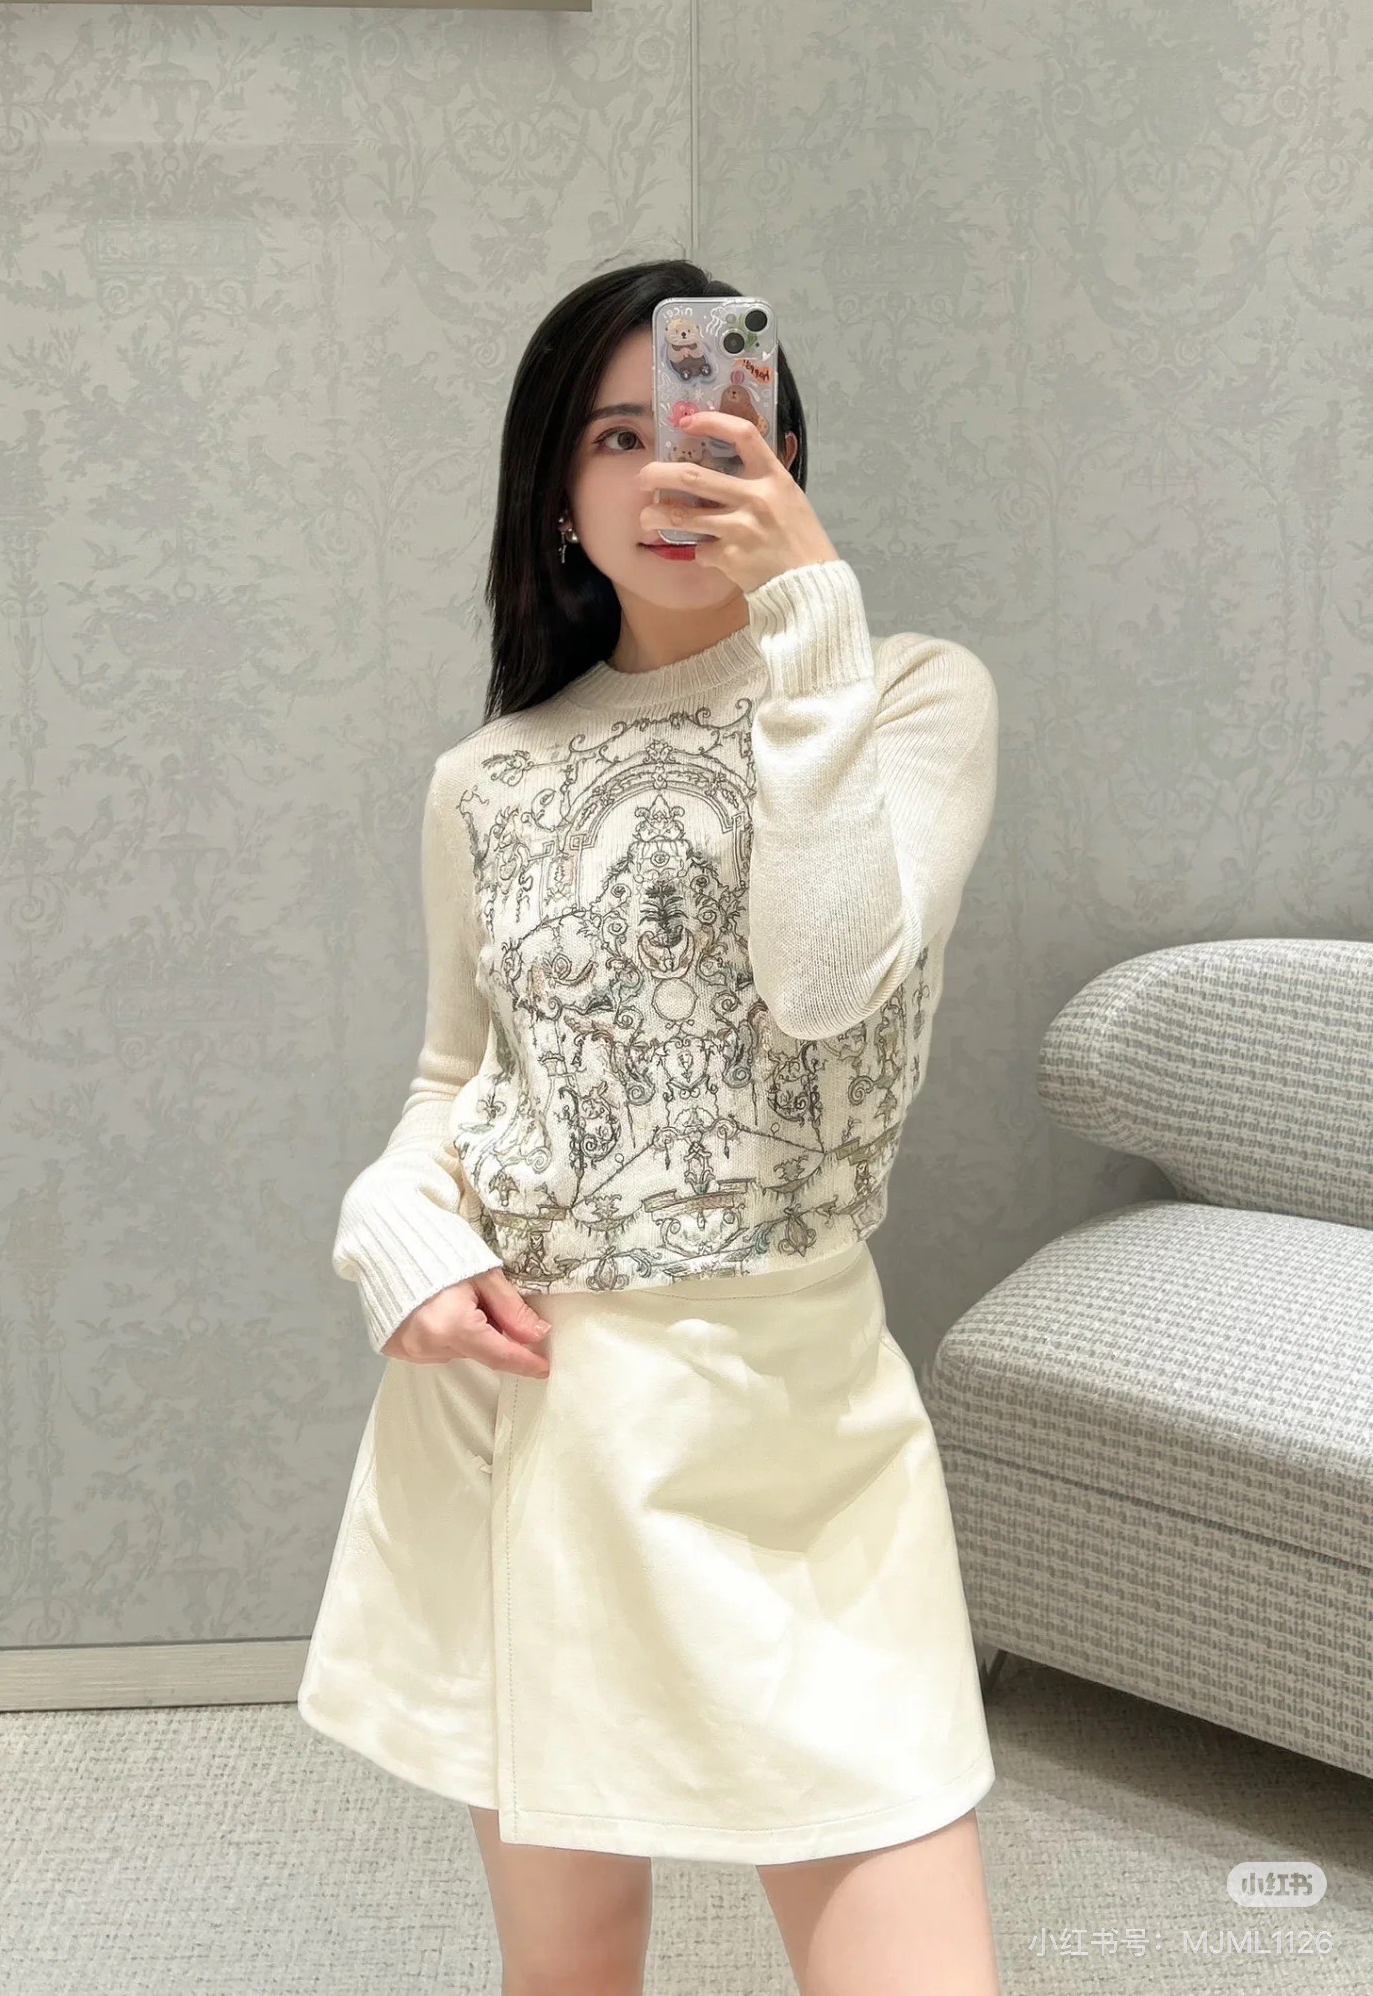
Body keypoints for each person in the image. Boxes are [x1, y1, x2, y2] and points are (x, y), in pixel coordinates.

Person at [298, 256, 1005, 1996]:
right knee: (573, 1972)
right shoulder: (488, 776)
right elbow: (457, 1076)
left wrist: (809, 618)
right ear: (559, 492)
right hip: (536, 1419)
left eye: (707, 423)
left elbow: (826, 980)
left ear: (781, 453)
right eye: (617, 436)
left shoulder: (911, 693)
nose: (666, 469)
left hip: (795, 1425)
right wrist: (392, 1224)